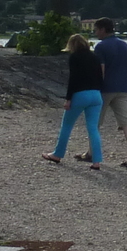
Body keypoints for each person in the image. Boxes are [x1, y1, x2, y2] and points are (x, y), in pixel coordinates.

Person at [77, 17, 127, 168]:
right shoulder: (125, 46)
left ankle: (92, 153)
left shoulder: (101, 47)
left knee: (95, 123)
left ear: (103, 29)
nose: (96, 32)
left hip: (105, 89)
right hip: (124, 88)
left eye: (97, 29)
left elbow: (101, 70)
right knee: (126, 122)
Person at [43, 32, 103, 170]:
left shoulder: (75, 57)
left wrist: (68, 99)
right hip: (96, 94)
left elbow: (73, 79)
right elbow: (101, 77)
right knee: (93, 128)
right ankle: (96, 161)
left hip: (80, 94)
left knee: (67, 125)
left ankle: (57, 154)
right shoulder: (95, 57)